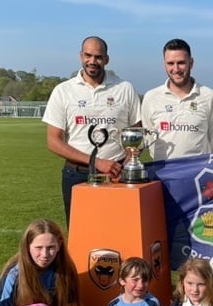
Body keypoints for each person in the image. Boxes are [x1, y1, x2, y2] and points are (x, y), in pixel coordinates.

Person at [42, 36, 141, 224]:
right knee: (82, 236)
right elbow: (53, 142)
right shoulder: (63, 90)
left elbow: (137, 133)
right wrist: (97, 162)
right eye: (88, 55)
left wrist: (129, 162)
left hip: (116, 175)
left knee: (119, 232)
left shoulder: (124, 88)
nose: (92, 61)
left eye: (98, 57)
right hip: (77, 174)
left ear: (106, 59)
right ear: (80, 56)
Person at [141, 38, 213, 160]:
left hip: (197, 174)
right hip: (162, 174)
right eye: (170, 63)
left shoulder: (209, 96)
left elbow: (212, 140)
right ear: (164, 65)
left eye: (181, 63)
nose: (176, 69)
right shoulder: (151, 97)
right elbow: (150, 141)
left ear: (191, 63)